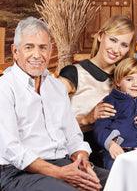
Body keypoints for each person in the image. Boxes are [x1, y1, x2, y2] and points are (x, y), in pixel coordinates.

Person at [0, 17, 108, 191]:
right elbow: (12, 150)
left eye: (43, 47)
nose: (37, 55)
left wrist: (82, 161)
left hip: (62, 163)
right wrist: (60, 173)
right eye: (29, 47)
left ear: (50, 51)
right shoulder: (4, 88)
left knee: (120, 180)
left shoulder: (56, 86)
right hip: (18, 172)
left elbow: (73, 136)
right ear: (15, 51)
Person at [59, 15, 135, 164]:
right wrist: (87, 118)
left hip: (115, 153)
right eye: (113, 40)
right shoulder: (73, 73)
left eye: (124, 45)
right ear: (100, 36)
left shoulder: (124, 79)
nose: (116, 49)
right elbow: (48, 120)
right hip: (78, 154)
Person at [93, 58, 137, 170]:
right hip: (119, 151)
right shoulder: (111, 101)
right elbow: (100, 128)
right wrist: (111, 144)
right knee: (116, 170)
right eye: (129, 79)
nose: (135, 84)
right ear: (118, 81)